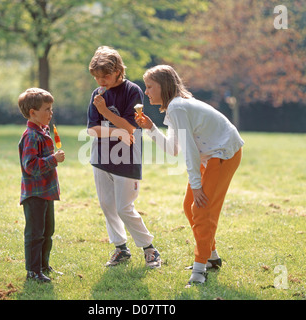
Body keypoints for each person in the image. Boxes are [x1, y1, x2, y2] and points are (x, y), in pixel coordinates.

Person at [136, 65, 244, 285]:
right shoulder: (174, 108)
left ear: (164, 86)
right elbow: (173, 148)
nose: (146, 92)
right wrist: (151, 128)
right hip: (211, 156)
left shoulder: (178, 107)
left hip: (223, 153)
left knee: (201, 208)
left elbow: (190, 151)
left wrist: (196, 185)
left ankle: (199, 270)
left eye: (149, 87)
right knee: (190, 206)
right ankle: (211, 258)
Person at [87, 46, 161, 268]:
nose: (101, 81)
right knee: (107, 205)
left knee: (124, 207)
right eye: (97, 77)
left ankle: (149, 249)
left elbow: (131, 128)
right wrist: (116, 131)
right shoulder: (97, 94)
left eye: (105, 76)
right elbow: (92, 130)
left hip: (127, 157)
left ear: (119, 70)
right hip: (100, 157)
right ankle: (121, 248)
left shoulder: (133, 91)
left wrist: (106, 114)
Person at [18, 88, 65, 282]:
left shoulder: (43, 132)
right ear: (33, 113)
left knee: (47, 231)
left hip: (46, 192)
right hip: (35, 194)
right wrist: (53, 159)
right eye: (47, 109)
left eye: (51, 108)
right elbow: (30, 166)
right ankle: (33, 271)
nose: (50, 113)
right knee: (35, 233)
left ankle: (44, 266)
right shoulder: (31, 136)